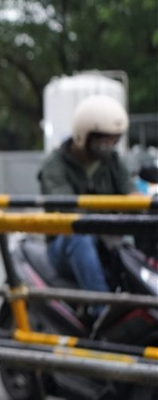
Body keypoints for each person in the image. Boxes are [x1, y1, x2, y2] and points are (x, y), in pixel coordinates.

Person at [38, 94, 135, 298]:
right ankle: (102, 308)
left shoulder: (113, 162)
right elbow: (68, 209)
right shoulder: (55, 165)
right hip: (62, 246)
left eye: (113, 138)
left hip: (108, 239)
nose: (109, 144)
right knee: (79, 235)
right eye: (103, 139)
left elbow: (132, 196)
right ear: (84, 135)